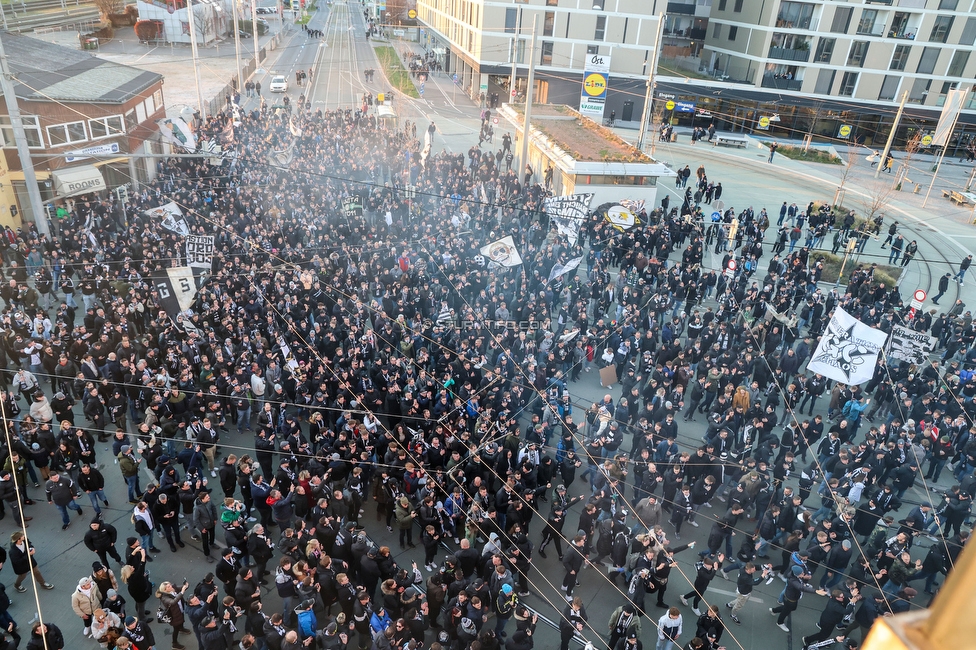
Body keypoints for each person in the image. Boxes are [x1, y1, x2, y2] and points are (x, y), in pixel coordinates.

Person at [156, 580, 191, 650]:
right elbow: (173, 602)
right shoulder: (164, 598)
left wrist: (186, 586)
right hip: (173, 614)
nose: (171, 586)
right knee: (176, 628)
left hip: (179, 610)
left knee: (181, 620)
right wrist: (182, 592)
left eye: (170, 585)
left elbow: (181, 588)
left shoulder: (173, 588)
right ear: (165, 590)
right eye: (168, 586)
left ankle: (181, 628)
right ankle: (174, 643)